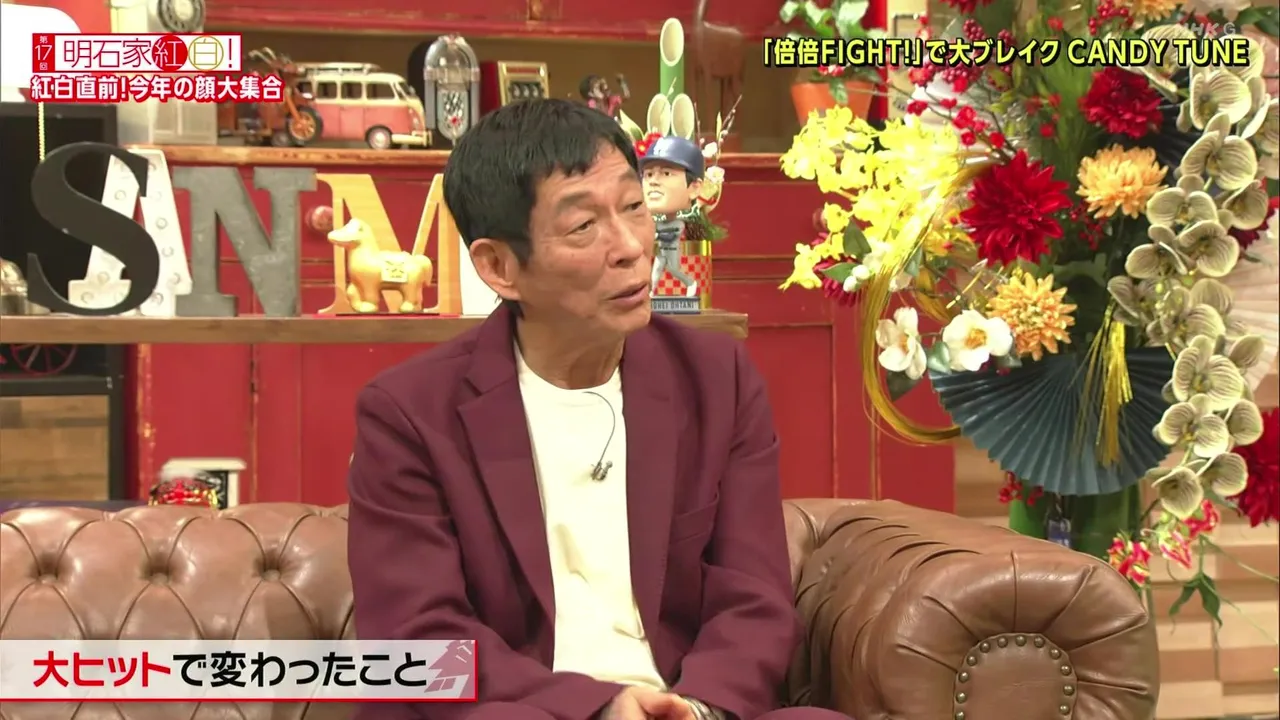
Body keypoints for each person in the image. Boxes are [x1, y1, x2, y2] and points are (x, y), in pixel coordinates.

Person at [347, 98, 855, 720]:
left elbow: (753, 598)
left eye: (635, 207)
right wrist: (600, 708)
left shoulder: (715, 380)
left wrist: (698, 709)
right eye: (584, 226)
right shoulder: (410, 413)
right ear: (499, 267)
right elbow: (419, 641)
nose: (631, 247)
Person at [641, 135, 702, 297]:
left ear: (694, 188)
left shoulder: (680, 224)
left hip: (672, 251)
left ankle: (690, 283)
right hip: (662, 252)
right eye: (648, 174)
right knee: (656, 270)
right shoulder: (653, 222)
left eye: (666, 173)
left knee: (673, 269)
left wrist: (656, 235)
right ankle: (651, 293)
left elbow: (670, 236)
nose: (653, 181)